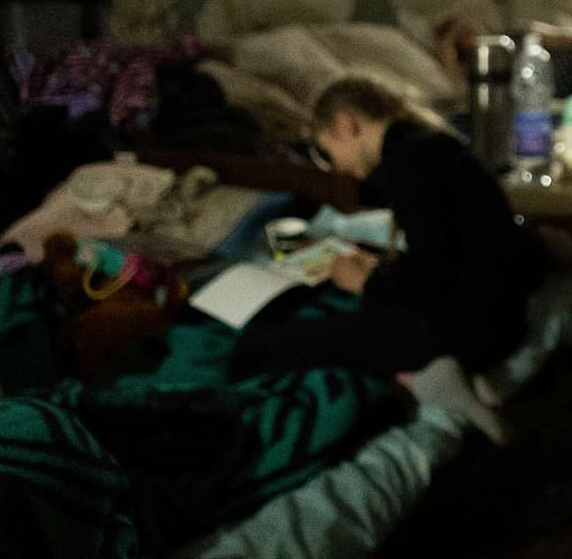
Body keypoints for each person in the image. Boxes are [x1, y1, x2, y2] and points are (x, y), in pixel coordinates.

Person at [229, 74, 543, 444]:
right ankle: (440, 375)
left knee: (263, 345)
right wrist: (384, 270)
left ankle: (441, 376)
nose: (336, 168)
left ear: (347, 124)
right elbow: (448, 250)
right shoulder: (428, 144)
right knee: (343, 325)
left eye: (329, 152)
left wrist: (367, 282)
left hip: (471, 328)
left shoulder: (411, 160)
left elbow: (430, 279)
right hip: (501, 320)